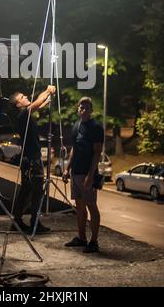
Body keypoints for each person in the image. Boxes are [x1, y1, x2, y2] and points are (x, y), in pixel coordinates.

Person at [9, 85, 56, 234]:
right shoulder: (23, 115)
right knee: (36, 192)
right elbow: (36, 103)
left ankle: (17, 221)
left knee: (26, 190)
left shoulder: (25, 115)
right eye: (22, 98)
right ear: (18, 105)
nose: (26, 97)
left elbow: (38, 105)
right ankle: (35, 223)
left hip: (28, 159)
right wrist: (48, 90)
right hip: (32, 160)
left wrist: (47, 99)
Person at [63, 97, 104, 253]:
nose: (84, 110)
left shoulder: (96, 127)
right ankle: (81, 238)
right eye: (81, 107)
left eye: (87, 107)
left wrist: (91, 175)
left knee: (91, 206)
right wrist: (67, 168)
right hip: (76, 173)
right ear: (78, 109)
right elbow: (74, 149)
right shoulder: (76, 126)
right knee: (79, 207)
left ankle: (94, 242)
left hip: (88, 174)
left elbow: (97, 153)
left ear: (91, 109)